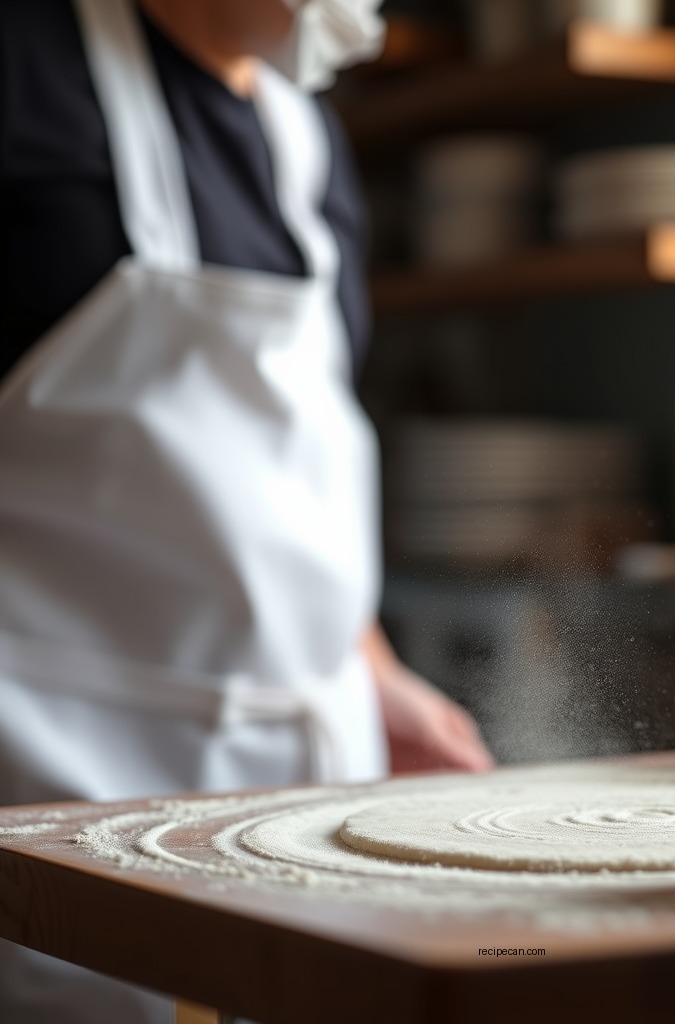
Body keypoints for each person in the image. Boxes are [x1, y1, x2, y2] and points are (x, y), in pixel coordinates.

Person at [0, 0, 493, 1019]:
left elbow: (289, 468)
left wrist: (373, 671)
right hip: (51, 784)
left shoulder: (301, 135)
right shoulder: (23, 69)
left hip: (310, 799)